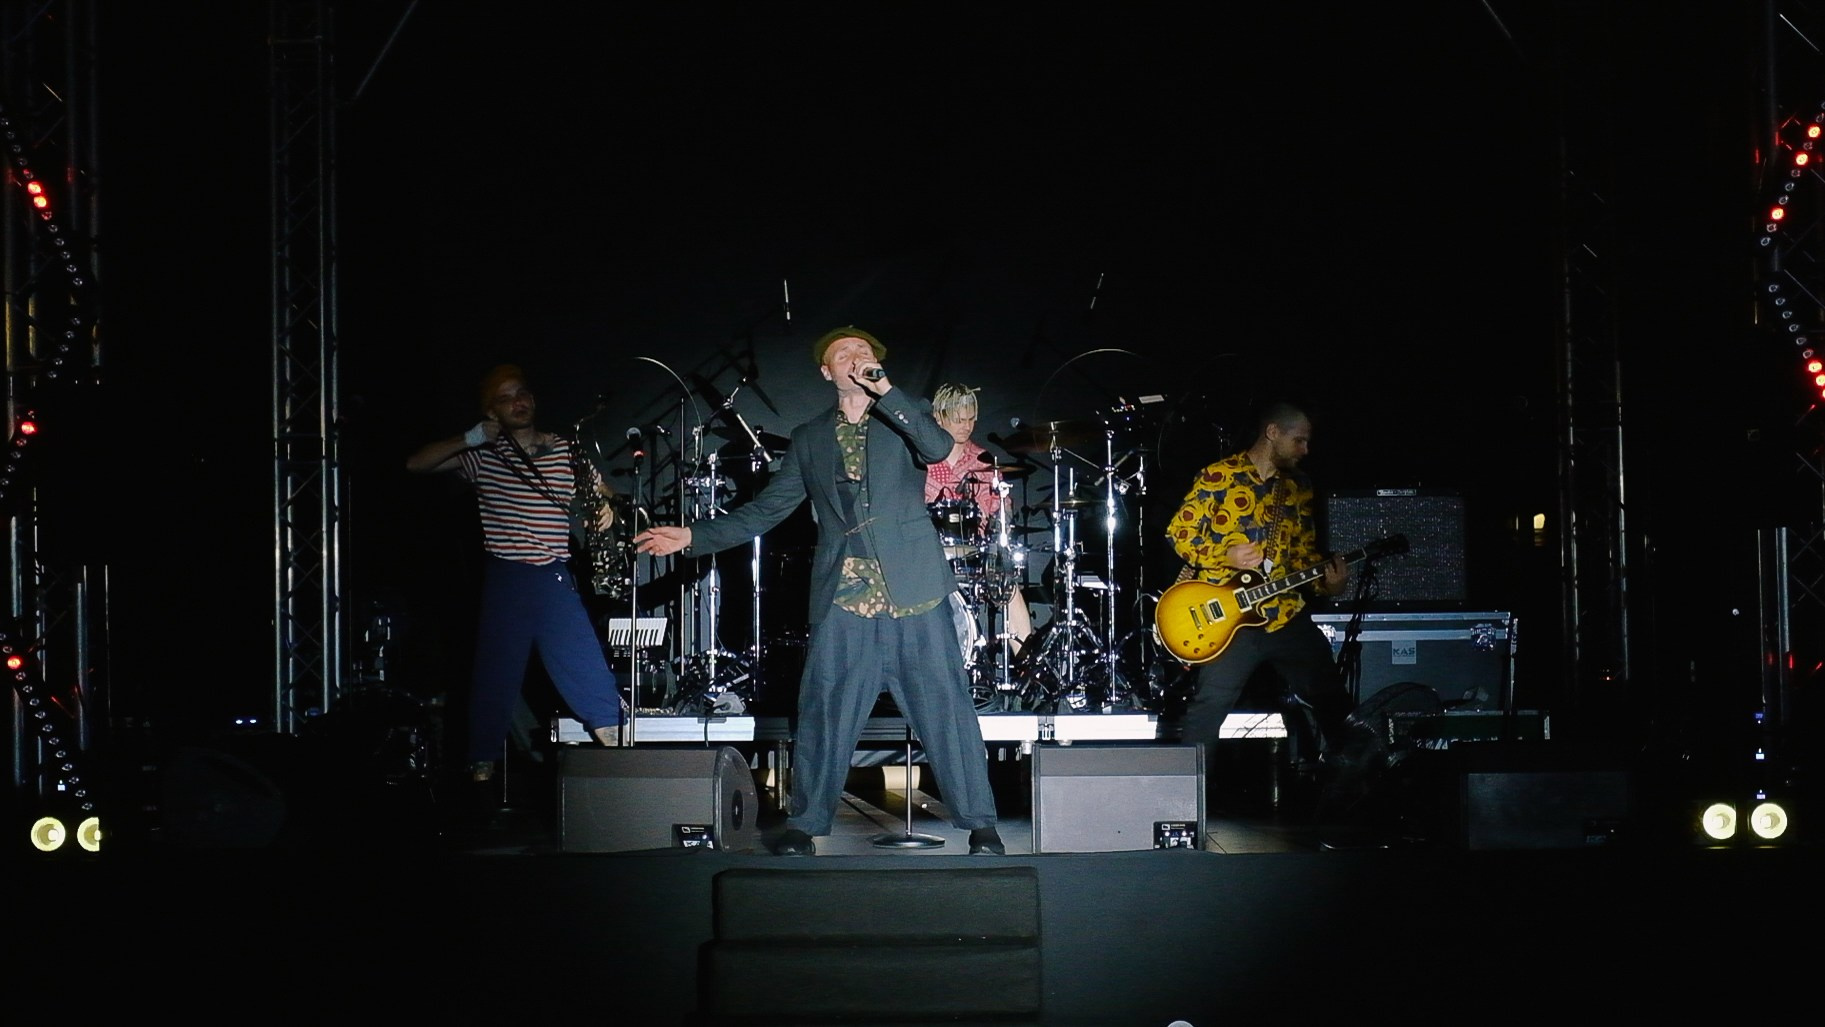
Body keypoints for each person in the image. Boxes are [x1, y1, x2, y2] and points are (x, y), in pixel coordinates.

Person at [635, 327, 1005, 857]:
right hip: (845, 597)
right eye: (844, 353)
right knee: (824, 712)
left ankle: (981, 826)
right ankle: (804, 826)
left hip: (915, 593)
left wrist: (885, 392)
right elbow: (768, 509)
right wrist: (693, 536)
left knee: (947, 711)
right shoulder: (809, 438)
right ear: (827, 372)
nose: (857, 357)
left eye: (865, 351)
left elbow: (938, 447)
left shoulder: (905, 414)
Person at [406, 363, 628, 786]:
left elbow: (606, 494)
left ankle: (620, 761)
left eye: (521, 393)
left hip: (552, 573)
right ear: (492, 411)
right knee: (495, 673)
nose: (517, 402)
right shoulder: (483, 455)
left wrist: (608, 507)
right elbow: (416, 464)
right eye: (505, 398)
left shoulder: (565, 450)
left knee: (584, 665)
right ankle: (481, 777)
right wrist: (472, 437)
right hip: (507, 574)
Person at [1164, 401, 1359, 794]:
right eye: (1298, 440)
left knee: (1331, 698)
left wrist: (1330, 585)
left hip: (1283, 613)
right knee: (1209, 707)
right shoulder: (1218, 476)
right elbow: (1178, 535)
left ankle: (1358, 789)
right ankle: (1185, 799)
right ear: (1272, 433)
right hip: (1230, 620)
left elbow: (1302, 556)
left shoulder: (1298, 487)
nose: (1305, 449)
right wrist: (1226, 555)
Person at [924, 383, 1033, 657]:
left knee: (1007, 586)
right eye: (958, 419)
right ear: (939, 417)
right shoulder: (920, 459)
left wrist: (1001, 515)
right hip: (927, 552)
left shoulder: (983, 461)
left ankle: (1027, 664)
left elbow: (999, 511)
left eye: (971, 419)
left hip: (974, 552)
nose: (966, 426)